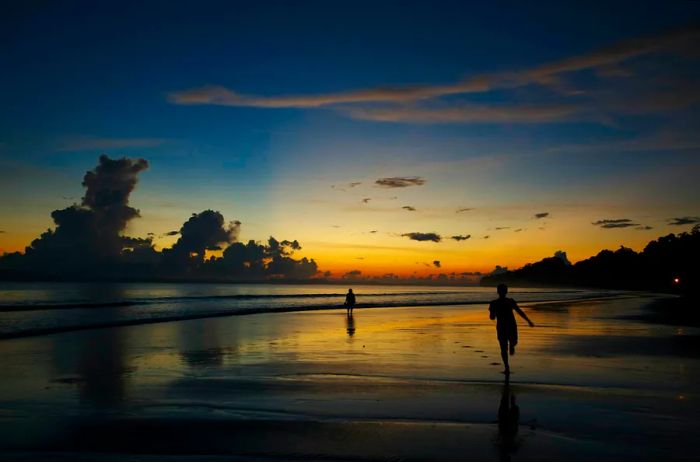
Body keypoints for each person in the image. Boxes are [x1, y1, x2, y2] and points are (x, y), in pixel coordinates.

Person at [489, 284, 534, 374]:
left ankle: (507, 362)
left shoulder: (496, 303)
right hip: (510, 325)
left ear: (498, 292)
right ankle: (507, 366)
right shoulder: (506, 302)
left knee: (504, 347)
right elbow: (519, 311)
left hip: (503, 326)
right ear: (506, 291)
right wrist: (528, 321)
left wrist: (492, 313)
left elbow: (492, 317)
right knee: (507, 345)